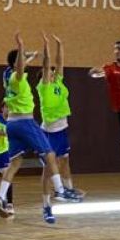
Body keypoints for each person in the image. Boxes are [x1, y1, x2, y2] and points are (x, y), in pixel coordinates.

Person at [0, 33, 76, 224]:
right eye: (22, 60)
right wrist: (22, 46)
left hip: (13, 124)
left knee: (15, 163)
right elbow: (24, 67)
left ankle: (0, 196)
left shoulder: (7, 75)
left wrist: (29, 54)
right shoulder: (20, 77)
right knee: (49, 156)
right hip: (26, 122)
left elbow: (21, 64)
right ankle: (60, 192)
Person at [37, 34, 84, 201]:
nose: (52, 71)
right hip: (50, 130)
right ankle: (48, 197)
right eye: (49, 71)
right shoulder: (44, 87)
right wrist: (46, 45)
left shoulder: (58, 83)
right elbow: (47, 63)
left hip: (62, 128)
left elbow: (60, 63)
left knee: (65, 161)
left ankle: (68, 189)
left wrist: (60, 44)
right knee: (50, 166)